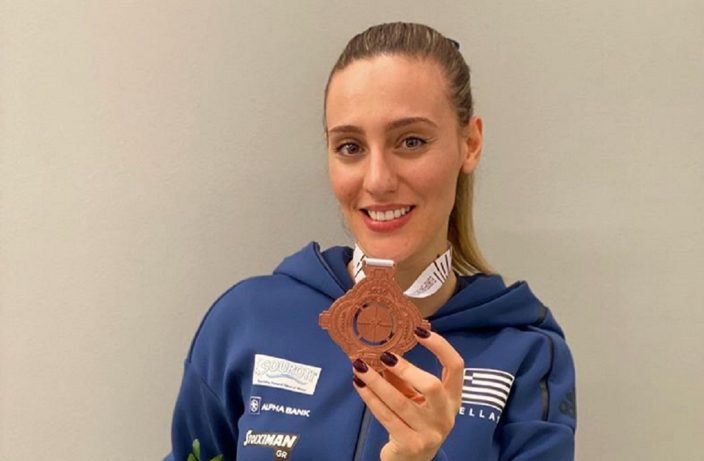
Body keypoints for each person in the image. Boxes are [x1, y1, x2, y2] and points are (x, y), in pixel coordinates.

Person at [164, 22, 576, 461]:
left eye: (411, 141)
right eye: (350, 147)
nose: (377, 180)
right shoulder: (247, 320)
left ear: (470, 144)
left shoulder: (525, 354)